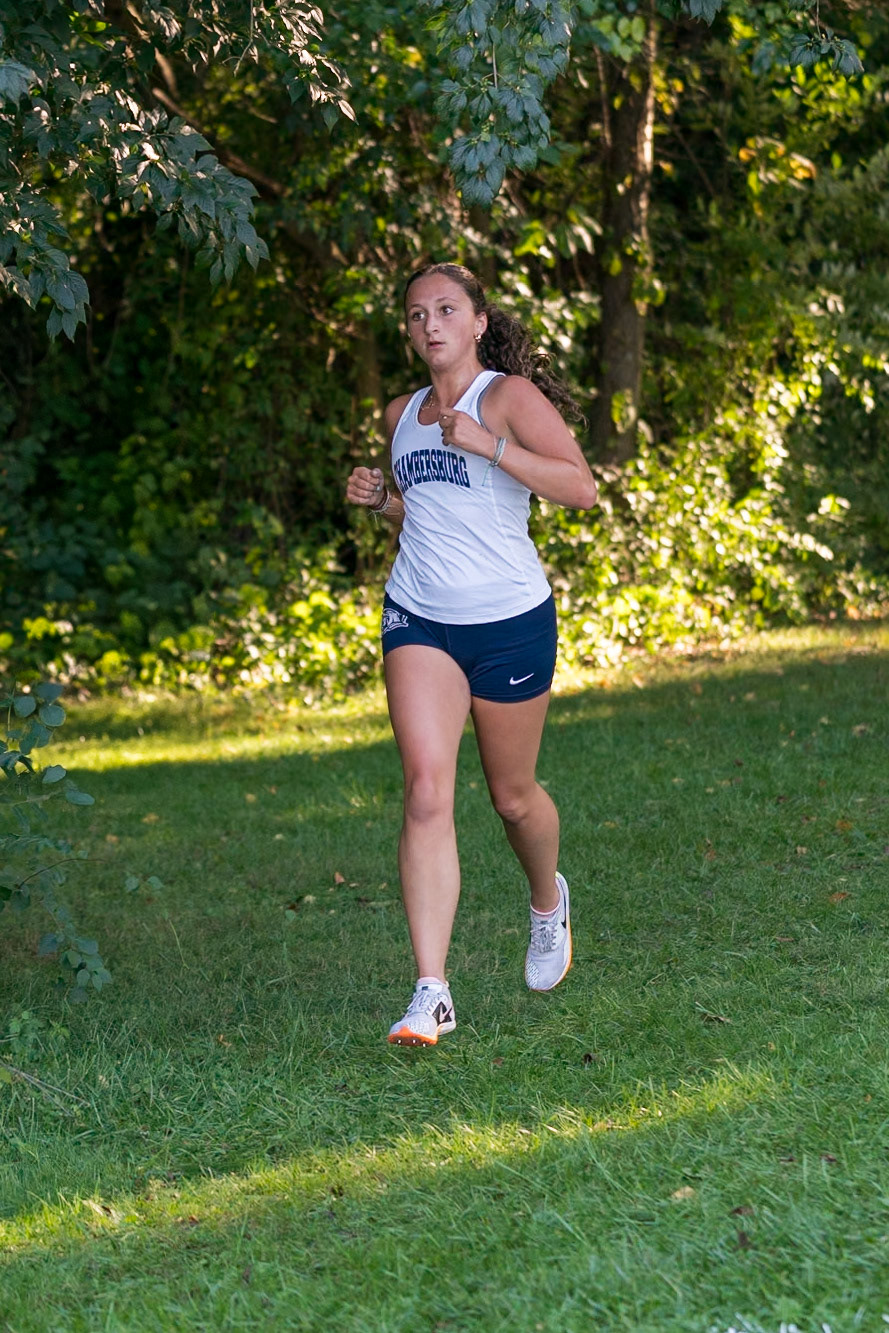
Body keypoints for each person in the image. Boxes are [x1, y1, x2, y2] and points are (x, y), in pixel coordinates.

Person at [345, 262, 598, 1046]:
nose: (430, 325)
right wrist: (382, 501)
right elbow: (432, 514)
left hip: (508, 620)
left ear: (478, 321)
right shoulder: (401, 413)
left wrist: (491, 445)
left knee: (511, 796)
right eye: (416, 314)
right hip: (418, 616)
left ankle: (546, 900)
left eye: (446, 309)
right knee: (425, 791)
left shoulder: (507, 399)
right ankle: (431, 992)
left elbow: (580, 487)